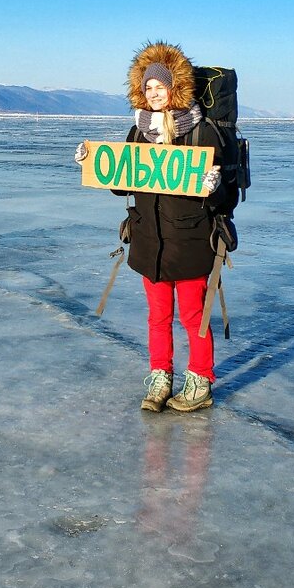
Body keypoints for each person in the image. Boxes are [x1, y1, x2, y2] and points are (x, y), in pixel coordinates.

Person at [77, 41, 225, 413]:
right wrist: (90, 161)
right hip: (149, 241)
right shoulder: (138, 131)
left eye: (160, 86)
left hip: (190, 241)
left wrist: (214, 187)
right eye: (148, 88)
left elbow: (224, 198)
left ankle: (200, 381)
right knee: (158, 316)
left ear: (175, 88)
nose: (154, 93)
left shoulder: (201, 132)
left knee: (193, 316)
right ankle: (161, 377)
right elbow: (122, 183)